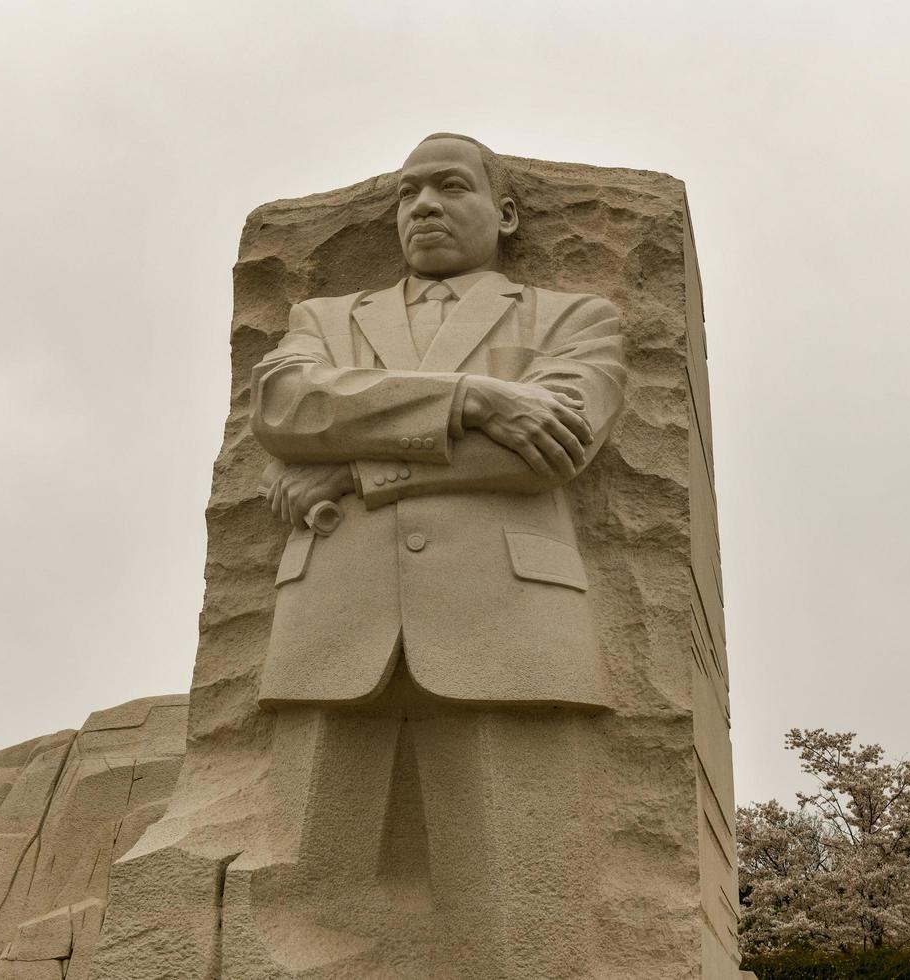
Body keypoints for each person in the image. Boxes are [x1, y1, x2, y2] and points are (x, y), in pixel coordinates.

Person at [230, 133, 627, 978]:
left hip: (507, 623)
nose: (424, 206)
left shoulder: (571, 318)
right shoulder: (326, 321)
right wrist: (473, 396)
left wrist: (353, 467)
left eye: (450, 186)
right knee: (300, 906)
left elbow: (547, 453)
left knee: (523, 916)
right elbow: (284, 405)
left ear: (506, 213)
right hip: (334, 621)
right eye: (408, 193)